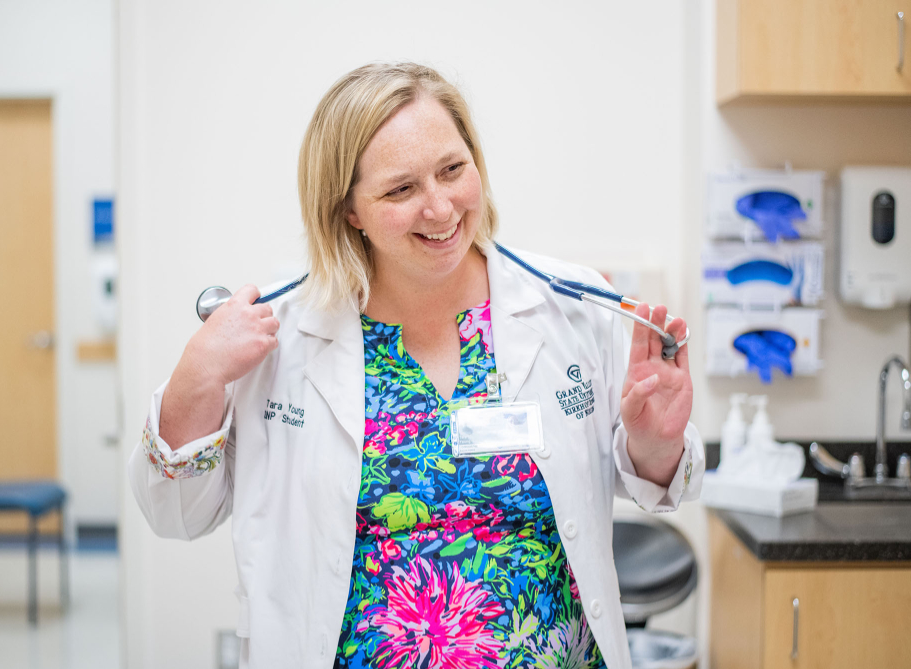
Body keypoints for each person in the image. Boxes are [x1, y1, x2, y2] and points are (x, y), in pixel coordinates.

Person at [129, 62, 703, 669]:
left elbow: (660, 483)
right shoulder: (281, 337)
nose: (440, 207)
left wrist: (654, 444)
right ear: (349, 209)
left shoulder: (571, 307)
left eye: (453, 170)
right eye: (401, 190)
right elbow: (176, 513)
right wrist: (198, 375)